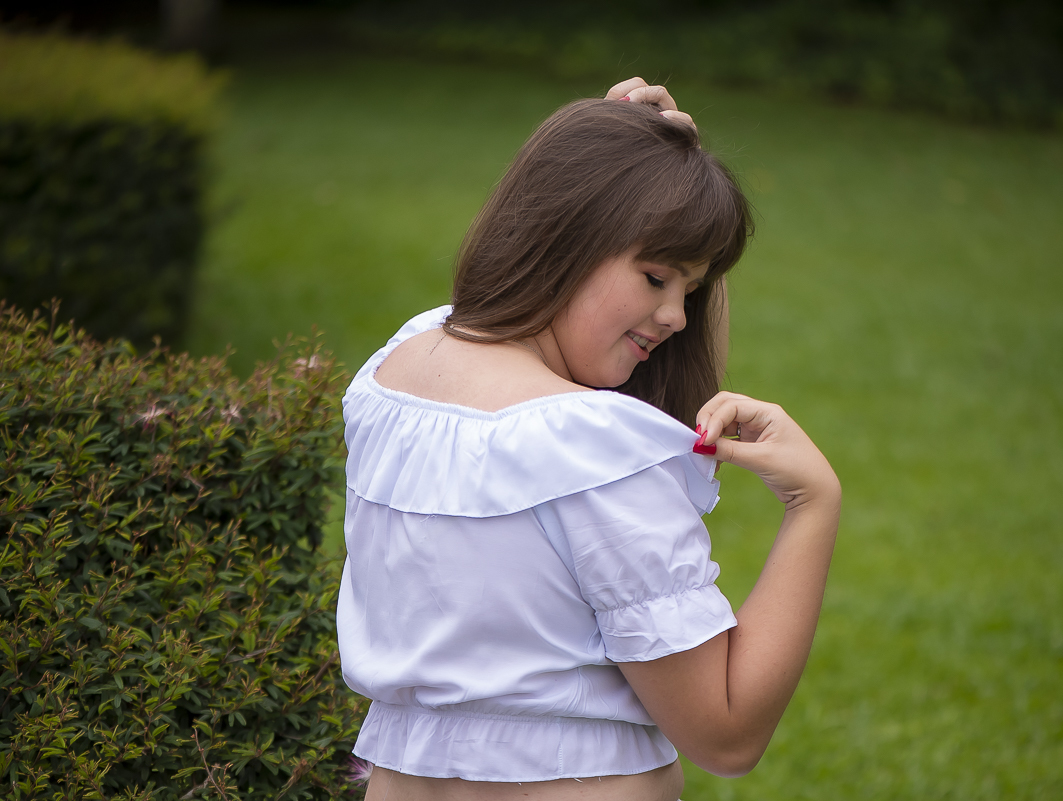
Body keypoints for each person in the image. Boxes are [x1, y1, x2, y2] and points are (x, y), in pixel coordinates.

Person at [337, 78, 841, 801]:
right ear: (570, 230)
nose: (676, 316)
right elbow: (726, 733)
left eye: (692, 290)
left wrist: (662, 179)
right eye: (656, 277)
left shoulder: (397, 371)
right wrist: (813, 503)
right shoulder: (593, 447)